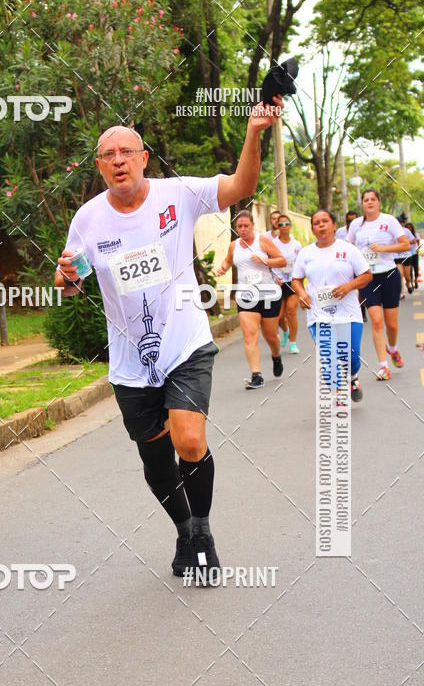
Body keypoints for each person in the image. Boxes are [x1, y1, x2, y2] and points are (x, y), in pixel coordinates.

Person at [55, 98, 284, 580]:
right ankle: (183, 531)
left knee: (190, 440)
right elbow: (72, 280)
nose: (118, 160)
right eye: (108, 155)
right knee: (155, 457)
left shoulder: (177, 194)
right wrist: (67, 277)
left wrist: (254, 132)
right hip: (130, 360)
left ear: (143, 158)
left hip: (184, 343)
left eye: (126, 152)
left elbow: (241, 186)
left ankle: (202, 533)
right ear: (99, 167)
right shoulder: (88, 220)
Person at [292, 210, 372, 403]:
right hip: (319, 315)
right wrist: (302, 294)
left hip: (348, 313)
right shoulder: (306, 254)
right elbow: (296, 279)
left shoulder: (349, 250)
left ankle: (353, 377)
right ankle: (338, 396)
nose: (321, 225)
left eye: (325, 221)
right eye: (317, 223)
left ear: (334, 225)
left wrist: (348, 287)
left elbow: (367, 275)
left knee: (351, 356)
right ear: (313, 229)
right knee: (329, 356)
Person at [346, 188, 410, 379]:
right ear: (362, 204)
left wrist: (383, 248)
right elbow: (349, 248)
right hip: (368, 278)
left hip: (389, 275)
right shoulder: (356, 224)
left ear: (378, 202)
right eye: (366, 199)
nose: (369, 202)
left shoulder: (389, 221)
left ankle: (393, 348)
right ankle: (383, 366)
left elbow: (405, 244)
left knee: (392, 325)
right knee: (376, 320)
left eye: (373, 199)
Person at [216, 211, 286, 388]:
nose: (243, 229)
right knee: (249, 336)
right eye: (239, 226)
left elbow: (282, 260)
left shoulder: (262, 241)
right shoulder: (234, 246)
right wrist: (223, 268)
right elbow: (228, 261)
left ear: (252, 225)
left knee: (270, 335)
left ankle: (276, 355)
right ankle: (256, 375)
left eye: (246, 226)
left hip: (268, 295)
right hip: (246, 296)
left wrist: (265, 260)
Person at [271, 214, 302, 353]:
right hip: (278, 283)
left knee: (291, 311)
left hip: (293, 281)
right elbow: (268, 263)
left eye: (286, 224)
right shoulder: (273, 244)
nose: (284, 227)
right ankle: (285, 331)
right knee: (279, 317)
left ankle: (293, 343)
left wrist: (299, 279)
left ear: (290, 225)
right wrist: (274, 277)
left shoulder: (296, 245)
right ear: (277, 226)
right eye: (281, 224)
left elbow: (301, 263)